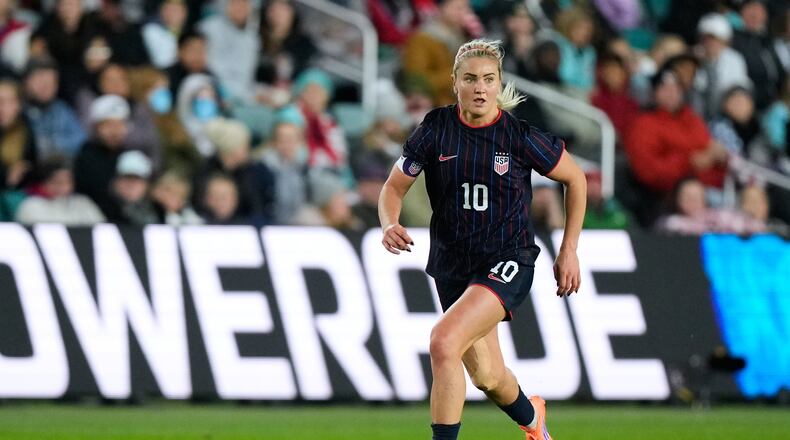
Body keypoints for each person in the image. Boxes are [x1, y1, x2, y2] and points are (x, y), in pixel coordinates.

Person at [378, 38, 586, 440]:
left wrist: (569, 249)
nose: (480, 87)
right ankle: (534, 422)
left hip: (508, 258)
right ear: (455, 82)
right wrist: (389, 223)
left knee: (443, 341)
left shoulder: (518, 136)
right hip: (454, 264)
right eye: (470, 78)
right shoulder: (435, 129)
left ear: (498, 84)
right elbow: (393, 187)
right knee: (488, 376)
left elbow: (575, 179)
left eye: (488, 79)